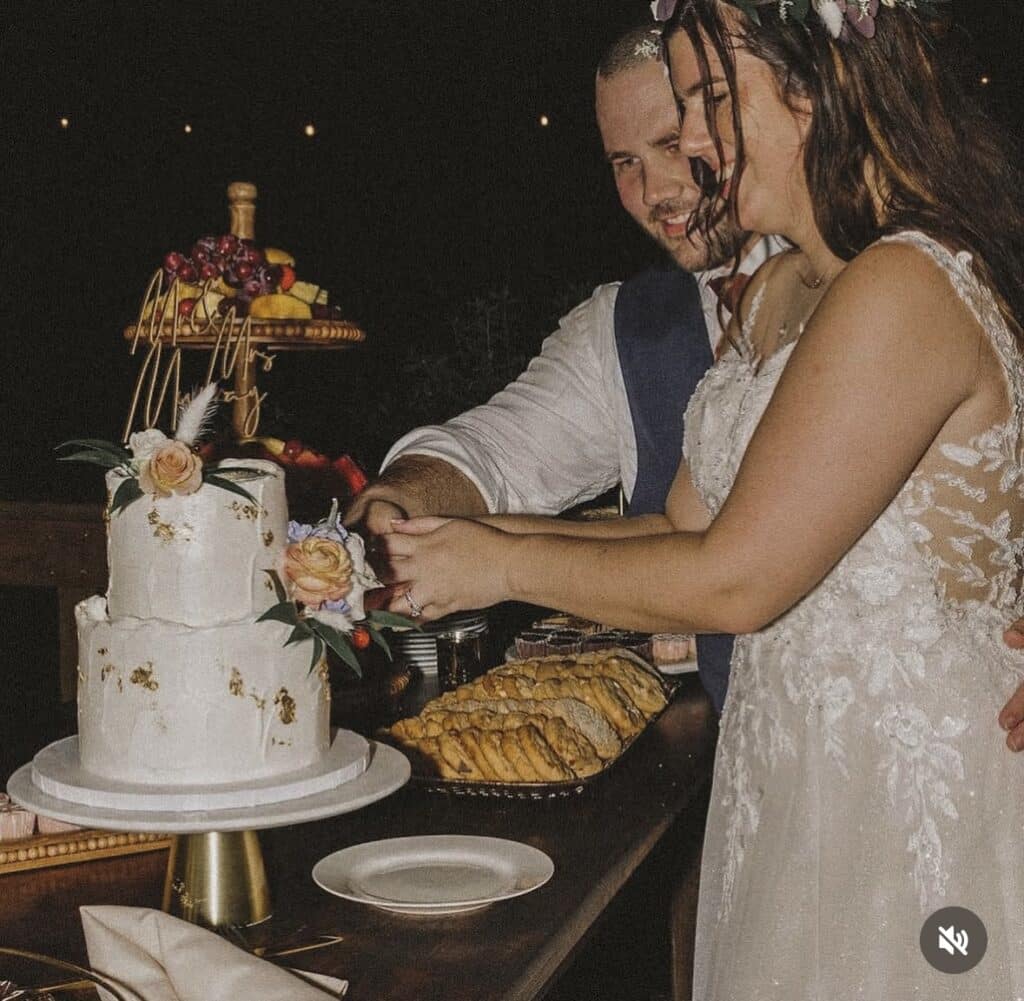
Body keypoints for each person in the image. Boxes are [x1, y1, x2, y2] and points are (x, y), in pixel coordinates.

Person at [377, 0, 1024, 995]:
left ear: (819, 89)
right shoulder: (777, 292)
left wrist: (496, 565)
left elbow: (733, 581)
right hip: (786, 794)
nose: (688, 142)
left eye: (713, 99)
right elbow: (682, 527)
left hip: (905, 809)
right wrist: (443, 534)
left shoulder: (907, 283)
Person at [347, 23, 783, 712]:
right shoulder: (625, 328)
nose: (654, 192)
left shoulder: (851, 283)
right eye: (623, 163)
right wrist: (398, 508)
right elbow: (494, 453)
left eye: (671, 144)